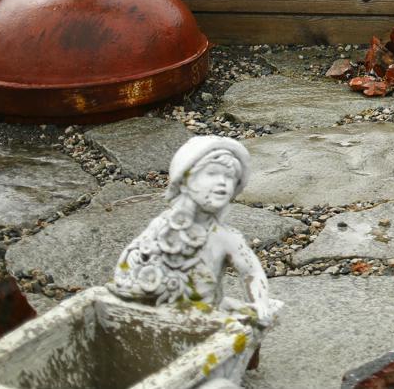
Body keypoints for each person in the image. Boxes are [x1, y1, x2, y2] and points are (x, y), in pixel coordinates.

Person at [111, 135, 282, 327]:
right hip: (161, 321)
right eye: (212, 174)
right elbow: (126, 270)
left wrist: (259, 303)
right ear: (185, 181)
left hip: (207, 321)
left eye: (230, 177)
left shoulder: (226, 238)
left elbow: (252, 272)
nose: (223, 182)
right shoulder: (161, 228)